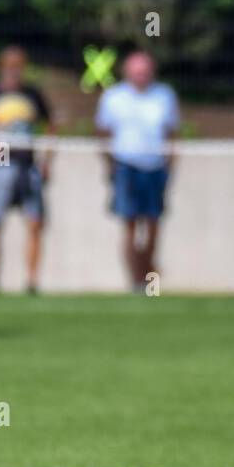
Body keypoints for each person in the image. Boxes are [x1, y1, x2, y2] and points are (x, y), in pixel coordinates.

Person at [0, 46, 53, 294]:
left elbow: (50, 125)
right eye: (10, 67)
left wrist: (47, 160)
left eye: (19, 67)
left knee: (35, 222)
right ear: (1, 68)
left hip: (28, 166)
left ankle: (32, 281)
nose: (14, 72)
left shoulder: (33, 95)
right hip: (0, 167)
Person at [94, 50, 179, 291]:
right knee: (130, 226)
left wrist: (170, 167)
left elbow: (172, 134)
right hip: (126, 167)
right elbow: (102, 133)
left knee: (152, 226)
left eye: (145, 72)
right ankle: (136, 280)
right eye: (136, 73)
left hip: (154, 168)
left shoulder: (164, 96)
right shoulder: (114, 97)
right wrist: (109, 166)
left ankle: (148, 276)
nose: (141, 77)